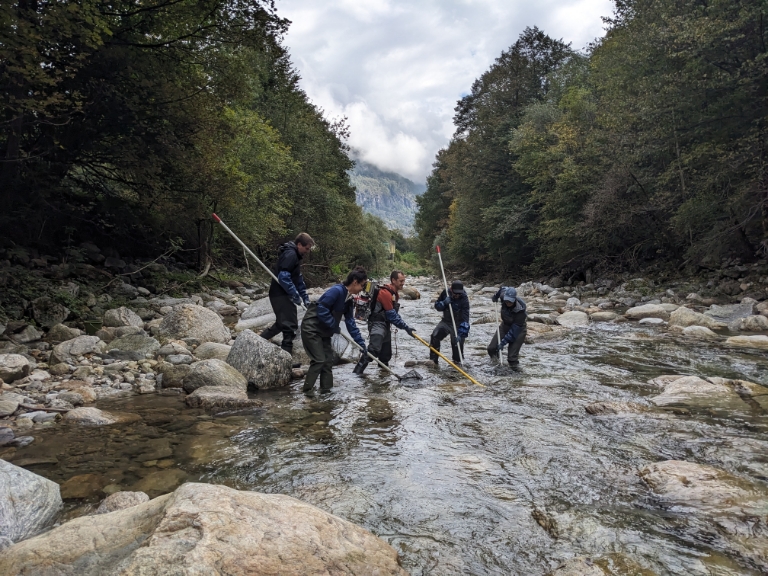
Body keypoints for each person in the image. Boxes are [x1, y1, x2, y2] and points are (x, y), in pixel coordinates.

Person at [301, 266, 368, 393]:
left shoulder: (349, 300)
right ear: (355, 282)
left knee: (327, 362)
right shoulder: (336, 291)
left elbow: (351, 323)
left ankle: (326, 392)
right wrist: (333, 325)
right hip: (312, 328)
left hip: (324, 332)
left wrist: (361, 343)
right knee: (319, 360)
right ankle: (307, 392)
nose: (362, 289)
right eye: (362, 285)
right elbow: (322, 309)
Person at [353, 270, 415, 375]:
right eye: (401, 281)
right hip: (377, 324)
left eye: (404, 280)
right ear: (393, 280)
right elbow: (392, 315)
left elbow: (393, 314)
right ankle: (356, 373)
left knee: (385, 355)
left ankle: (383, 377)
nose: (403, 283)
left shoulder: (394, 294)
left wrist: (405, 327)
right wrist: (406, 327)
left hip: (386, 325)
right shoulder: (385, 293)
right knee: (373, 350)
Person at [260, 233, 314, 355]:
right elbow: (283, 277)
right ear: (299, 244)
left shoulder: (295, 256)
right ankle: (286, 356)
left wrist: (305, 298)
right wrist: (294, 294)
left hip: (281, 294)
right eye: (306, 248)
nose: (307, 251)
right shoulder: (291, 255)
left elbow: (298, 279)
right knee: (290, 325)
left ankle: (257, 341)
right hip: (280, 294)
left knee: (281, 324)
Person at [428, 279, 470, 366]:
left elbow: (466, 319)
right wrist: (444, 303)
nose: (457, 295)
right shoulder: (445, 293)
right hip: (446, 322)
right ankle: (433, 361)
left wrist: (461, 333)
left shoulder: (464, 298)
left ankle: (457, 363)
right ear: (451, 289)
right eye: (455, 293)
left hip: (458, 324)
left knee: (457, 344)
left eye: (459, 294)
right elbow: (437, 306)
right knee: (435, 336)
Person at [488, 286, 527, 367]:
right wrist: (495, 296)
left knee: (512, 358)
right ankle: (496, 365)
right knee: (491, 348)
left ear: (514, 299)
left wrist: (502, 343)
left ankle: (516, 372)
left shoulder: (520, 311)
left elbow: (513, 332)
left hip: (518, 331)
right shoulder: (503, 295)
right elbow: (502, 289)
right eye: (506, 301)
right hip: (505, 325)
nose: (508, 303)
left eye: (510, 301)